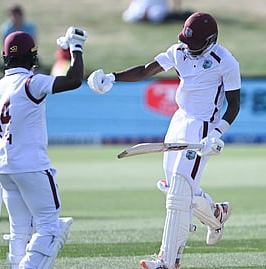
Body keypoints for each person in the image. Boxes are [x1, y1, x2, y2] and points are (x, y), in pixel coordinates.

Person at [88, 12, 240, 269]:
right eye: (186, 42)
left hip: (203, 126)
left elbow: (234, 105)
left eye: (195, 44)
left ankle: (168, 261)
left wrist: (216, 134)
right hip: (179, 121)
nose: (188, 49)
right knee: (176, 188)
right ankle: (216, 215)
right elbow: (148, 69)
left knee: (179, 193)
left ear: (211, 40)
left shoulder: (224, 61)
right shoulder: (179, 50)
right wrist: (113, 78)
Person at [0, 27, 87, 269]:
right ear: (31, 56)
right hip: (30, 167)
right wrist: (77, 49)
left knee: (20, 230)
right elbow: (74, 80)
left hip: (4, 168)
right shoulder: (32, 82)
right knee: (49, 227)